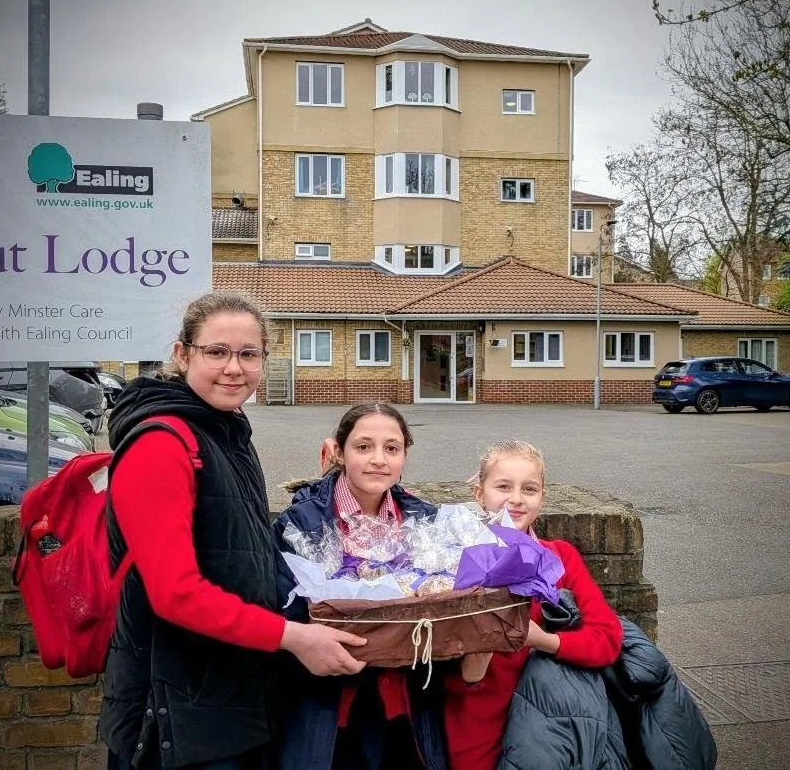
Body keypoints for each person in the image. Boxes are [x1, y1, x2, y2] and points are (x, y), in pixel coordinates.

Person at [100, 292, 367, 770]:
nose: (234, 368)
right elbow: (174, 593)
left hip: (233, 697)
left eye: (248, 354)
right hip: (179, 715)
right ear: (183, 355)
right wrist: (293, 638)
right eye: (216, 352)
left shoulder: (226, 429)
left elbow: (241, 555)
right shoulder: (162, 446)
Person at [273, 403, 450, 770]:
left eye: (392, 448)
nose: (378, 460)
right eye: (364, 446)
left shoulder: (425, 521)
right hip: (329, 710)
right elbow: (282, 612)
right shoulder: (301, 524)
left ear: (405, 455)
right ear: (339, 451)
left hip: (407, 705)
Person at [443, 440, 625, 770]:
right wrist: (477, 659)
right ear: (479, 493)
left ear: (541, 498)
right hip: (474, 721)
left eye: (529, 488)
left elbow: (608, 639)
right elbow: (437, 666)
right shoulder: (451, 560)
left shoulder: (561, 558)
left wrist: (539, 639)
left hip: (548, 721)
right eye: (503, 486)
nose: (516, 499)